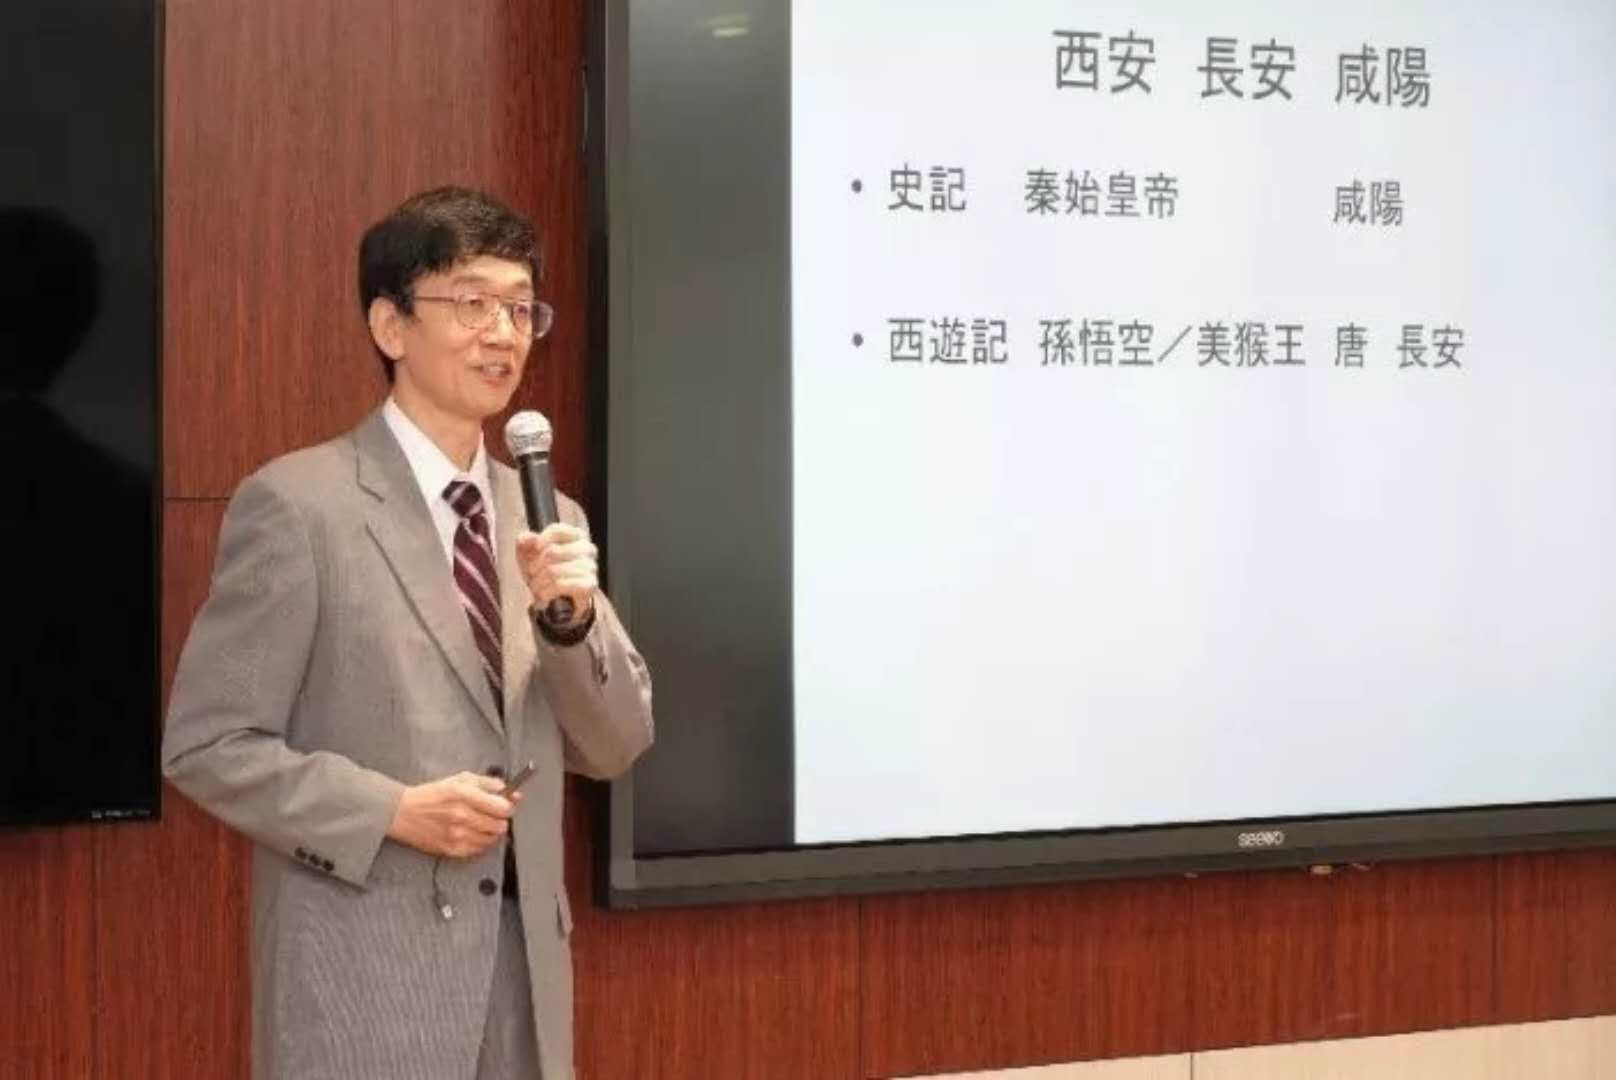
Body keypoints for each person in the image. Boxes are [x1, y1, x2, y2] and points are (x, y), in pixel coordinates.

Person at [162, 186, 653, 1080]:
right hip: (366, 983)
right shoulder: (301, 506)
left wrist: (573, 623)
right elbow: (208, 746)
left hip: (524, 979)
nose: (503, 333)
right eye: (472, 302)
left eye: (521, 309)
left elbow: (615, 744)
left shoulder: (548, 517)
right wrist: (391, 810)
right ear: (390, 325)